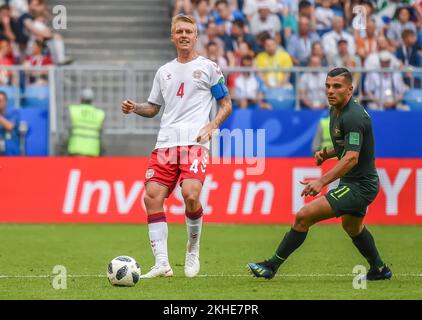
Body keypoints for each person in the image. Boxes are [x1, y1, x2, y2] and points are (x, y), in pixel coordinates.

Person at [248, 68, 392, 281]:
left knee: (304, 216)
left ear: (350, 89)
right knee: (352, 227)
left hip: (360, 186)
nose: (330, 91)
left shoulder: (353, 116)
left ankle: (271, 265)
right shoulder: (336, 110)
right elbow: (346, 146)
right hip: (354, 182)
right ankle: (379, 269)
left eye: (337, 86)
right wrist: (327, 153)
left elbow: (352, 157)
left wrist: (322, 181)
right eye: (327, 86)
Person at [121, 15, 232, 278]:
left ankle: (193, 249)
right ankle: (162, 264)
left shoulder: (209, 68)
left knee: (191, 195)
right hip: (165, 144)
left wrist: (211, 125)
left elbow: (226, 104)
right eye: (179, 31)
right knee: (151, 197)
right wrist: (136, 107)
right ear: (172, 37)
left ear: (196, 36)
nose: (184, 35)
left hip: (195, 143)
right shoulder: (164, 71)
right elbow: (154, 108)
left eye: (189, 31)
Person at [66, 88, 106, 156]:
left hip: (75, 149)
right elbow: (102, 133)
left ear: (81, 98)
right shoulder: (99, 114)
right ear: (92, 100)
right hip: (93, 151)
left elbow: (67, 130)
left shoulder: (73, 110)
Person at [0, 90, 20, 155]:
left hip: (11, 152)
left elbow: (10, 126)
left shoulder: (13, 113)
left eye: (0, 101)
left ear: (5, 102)